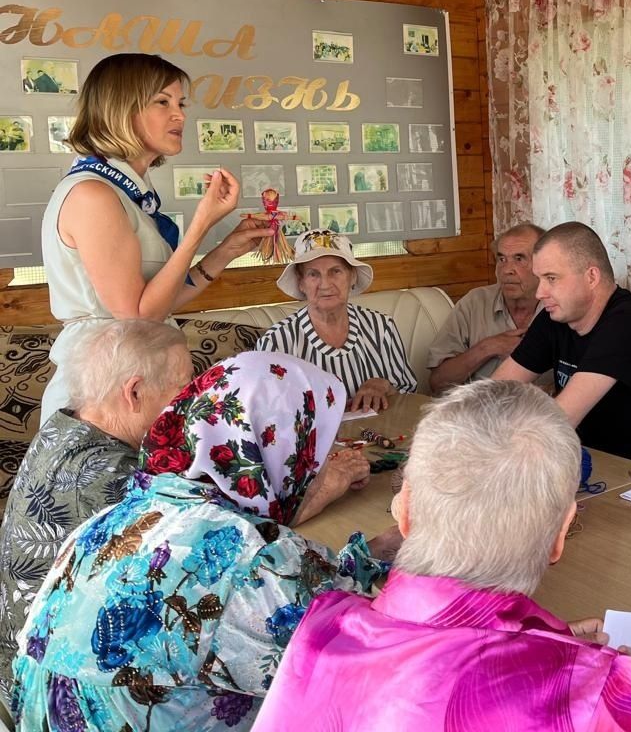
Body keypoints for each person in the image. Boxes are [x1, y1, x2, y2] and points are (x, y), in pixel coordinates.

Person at [254, 379, 631, 732]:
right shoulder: (591, 690)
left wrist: (542, 642)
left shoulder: (321, 628)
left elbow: (436, 663)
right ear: (558, 536)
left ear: (405, 511)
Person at [10, 352, 398, 731]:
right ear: (284, 447)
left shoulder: (124, 511)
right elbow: (371, 665)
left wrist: (373, 552)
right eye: (318, 445)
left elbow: (301, 595)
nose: (323, 460)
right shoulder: (257, 557)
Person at [39, 52, 271, 422]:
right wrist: (200, 225)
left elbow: (161, 302)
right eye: (162, 102)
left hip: (136, 381)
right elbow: (137, 315)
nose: (179, 115)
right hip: (101, 394)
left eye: (180, 103)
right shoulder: (93, 195)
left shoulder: (127, 193)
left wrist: (226, 249)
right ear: (120, 110)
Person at [0, 321, 193, 704]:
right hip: (43, 691)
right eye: (183, 386)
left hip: (32, 658)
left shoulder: (68, 426)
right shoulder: (104, 475)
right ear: (134, 392)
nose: (191, 400)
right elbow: (204, 531)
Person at [493, 222, 631, 476]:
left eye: (551, 279)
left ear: (591, 277)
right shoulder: (556, 316)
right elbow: (494, 393)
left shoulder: (629, 324)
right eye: (539, 279)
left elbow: (557, 423)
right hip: (590, 469)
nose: (540, 292)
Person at [256, 230, 417, 410]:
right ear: (301, 283)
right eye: (313, 274)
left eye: (336, 271)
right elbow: (268, 413)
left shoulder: (381, 326)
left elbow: (409, 391)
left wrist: (384, 385)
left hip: (380, 435)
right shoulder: (277, 342)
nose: (325, 284)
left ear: (352, 277)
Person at [425, 222, 544, 392]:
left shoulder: (560, 307)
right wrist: (487, 347)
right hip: (479, 412)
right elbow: (438, 383)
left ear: (545, 264)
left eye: (519, 259)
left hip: (543, 414)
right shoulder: (475, 302)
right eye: (501, 259)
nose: (506, 270)